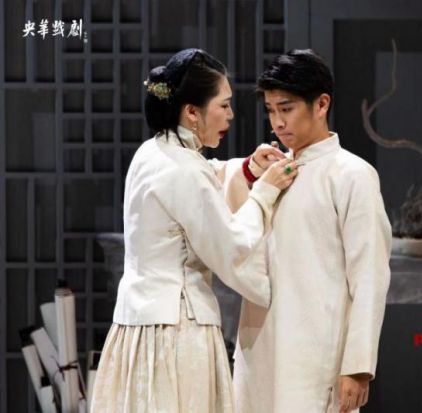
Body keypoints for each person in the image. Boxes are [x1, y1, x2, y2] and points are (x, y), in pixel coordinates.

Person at [90, 48, 297, 413]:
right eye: (224, 105)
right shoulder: (185, 169)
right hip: (177, 329)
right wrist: (265, 191)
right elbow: (232, 244)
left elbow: (202, 182)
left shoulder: (151, 152)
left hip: (137, 325)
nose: (230, 115)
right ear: (191, 112)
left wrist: (248, 170)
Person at [230, 49, 392, 413]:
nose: (277, 122)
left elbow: (369, 275)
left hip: (316, 355)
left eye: (286, 109)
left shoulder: (352, 174)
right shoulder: (273, 173)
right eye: (271, 111)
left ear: (321, 104)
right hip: (260, 348)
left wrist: (358, 365)